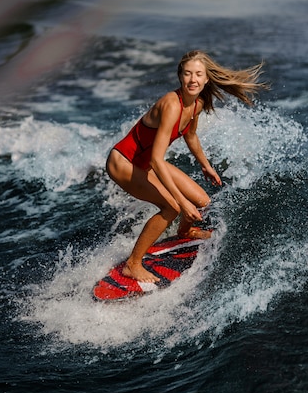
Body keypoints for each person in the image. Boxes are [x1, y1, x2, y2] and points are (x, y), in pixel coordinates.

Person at [106, 50, 266, 283]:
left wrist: (206, 166)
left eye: (198, 74)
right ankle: (133, 264)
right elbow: (157, 161)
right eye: (188, 74)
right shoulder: (172, 105)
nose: (193, 79)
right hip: (124, 162)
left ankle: (184, 231)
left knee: (202, 201)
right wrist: (181, 202)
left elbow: (190, 136)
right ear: (180, 76)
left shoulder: (197, 104)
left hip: (146, 161)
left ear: (206, 79)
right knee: (172, 208)